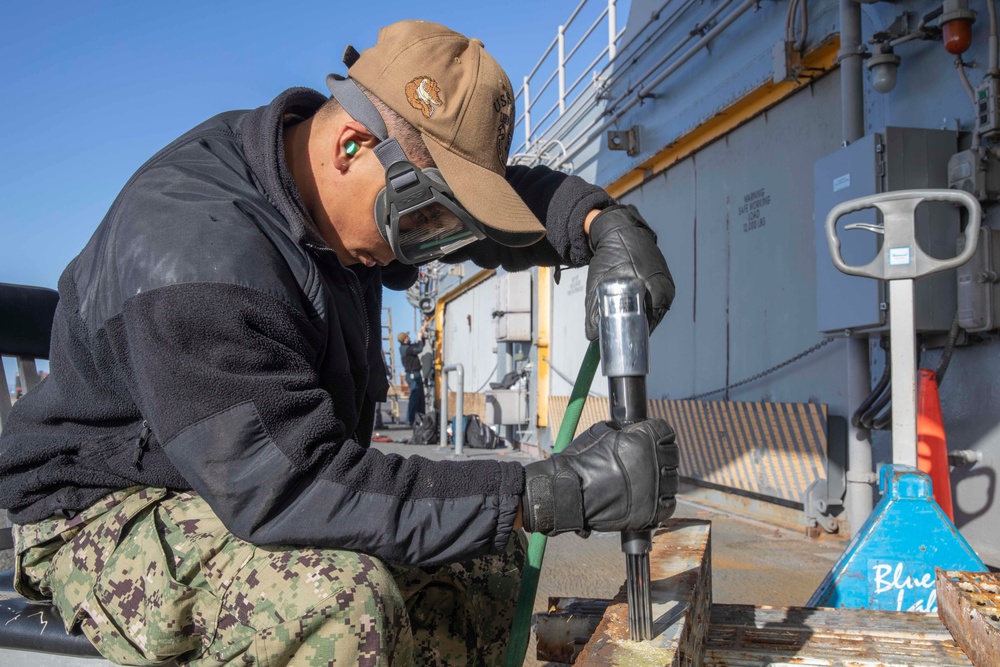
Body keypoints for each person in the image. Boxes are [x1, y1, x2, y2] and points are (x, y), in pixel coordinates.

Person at [0, 20, 678, 667]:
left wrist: (599, 222)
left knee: (484, 560)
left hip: (229, 469)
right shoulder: (197, 258)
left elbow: (480, 205)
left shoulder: (324, 194)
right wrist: (544, 491)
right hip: (102, 510)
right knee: (335, 602)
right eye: (423, 222)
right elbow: (293, 484)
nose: (427, 247)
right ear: (352, 144)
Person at [398, 320, 429, 426]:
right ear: (404, 340)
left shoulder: (408, 348)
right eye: (407, 337)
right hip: (412, 375)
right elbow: (418, 349)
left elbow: (419, 346)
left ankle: (420, 419)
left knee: (420, 398)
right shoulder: (405, 349)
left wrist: (422, 336)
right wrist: (420, 338)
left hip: (415, 374)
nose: (409, 338)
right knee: (414, 398)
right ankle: (410, 420)